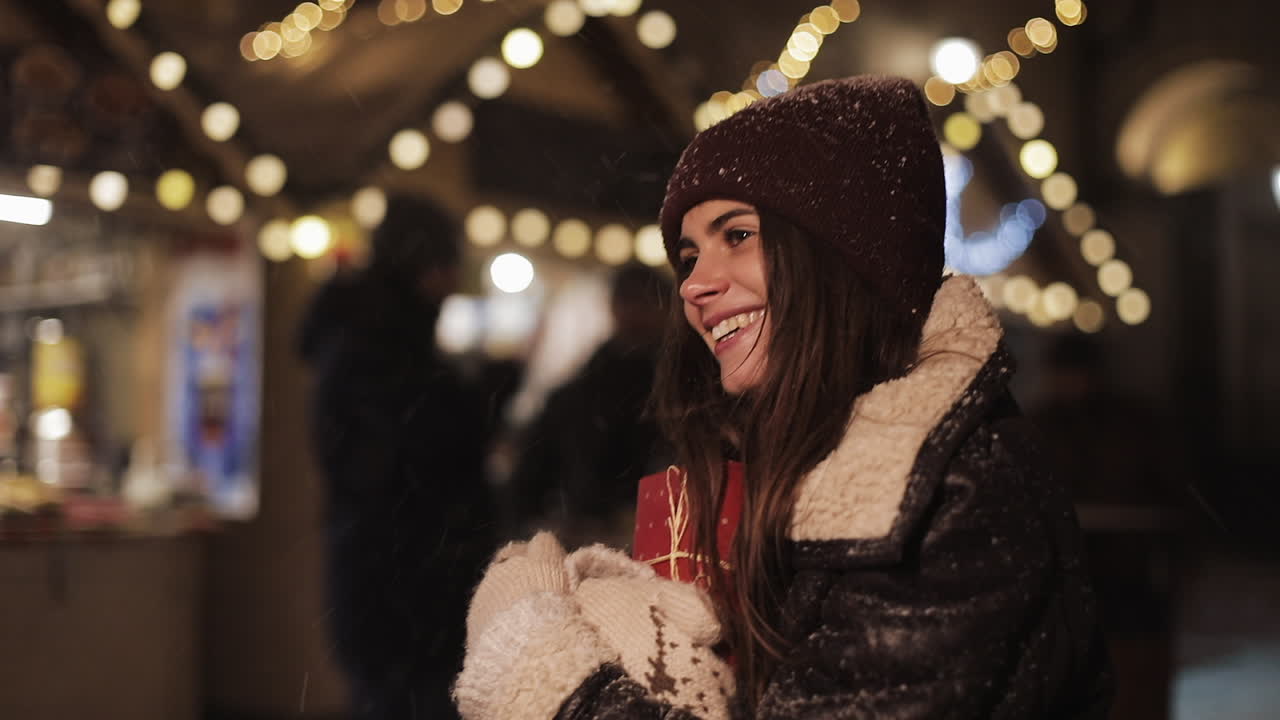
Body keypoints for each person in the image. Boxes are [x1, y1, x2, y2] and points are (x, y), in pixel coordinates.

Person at [452, 76, 1112, 719]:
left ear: (838, 256)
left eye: (736, 236)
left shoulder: (954, 482)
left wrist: (556, 680)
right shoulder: (786, 454)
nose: (693, 286)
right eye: (688, 256)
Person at [299, 194, 496, 719]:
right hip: (409, 588)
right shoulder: (388, 351)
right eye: (446, 264)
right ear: (425, 265)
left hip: (383, 579)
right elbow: (413, 461)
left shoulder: (365, 340)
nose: (453, 282)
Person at [506, 262, 674, 548]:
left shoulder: (686, 392)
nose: (637, 313)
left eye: (646, 301)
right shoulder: (581, 395)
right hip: (594, 541)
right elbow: (529, 484)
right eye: (629, 300)